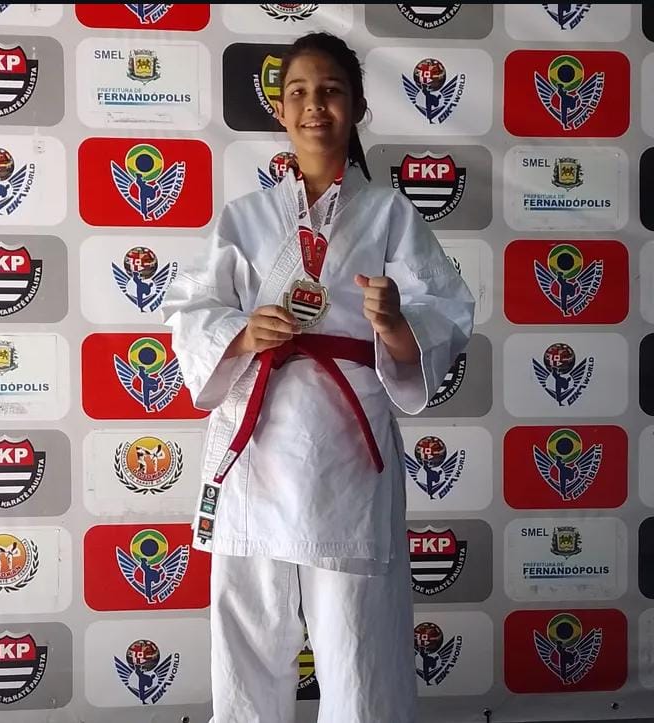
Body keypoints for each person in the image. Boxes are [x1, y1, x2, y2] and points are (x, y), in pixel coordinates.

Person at [162, 32, 475, 723]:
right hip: (257, 439)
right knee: (248, 633)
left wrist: (394, 321)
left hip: (347, 448)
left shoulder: (391, 214)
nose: (314, 105)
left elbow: (448, 310)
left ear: (357, 106)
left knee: (358, 636)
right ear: (279, 109)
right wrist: (244, 332)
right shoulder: (245, 217)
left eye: (331, 91)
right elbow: (191, 308)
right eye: (299, 92)